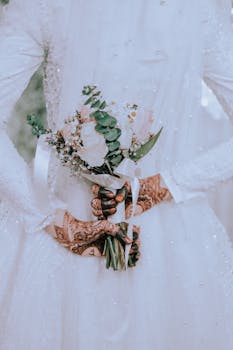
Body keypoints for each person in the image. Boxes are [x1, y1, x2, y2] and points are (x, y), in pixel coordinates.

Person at [0, 0, 233, 349]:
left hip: (73, 229)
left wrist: (44, 215)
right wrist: (169, 184)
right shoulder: (200, 9)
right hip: (173, 247)